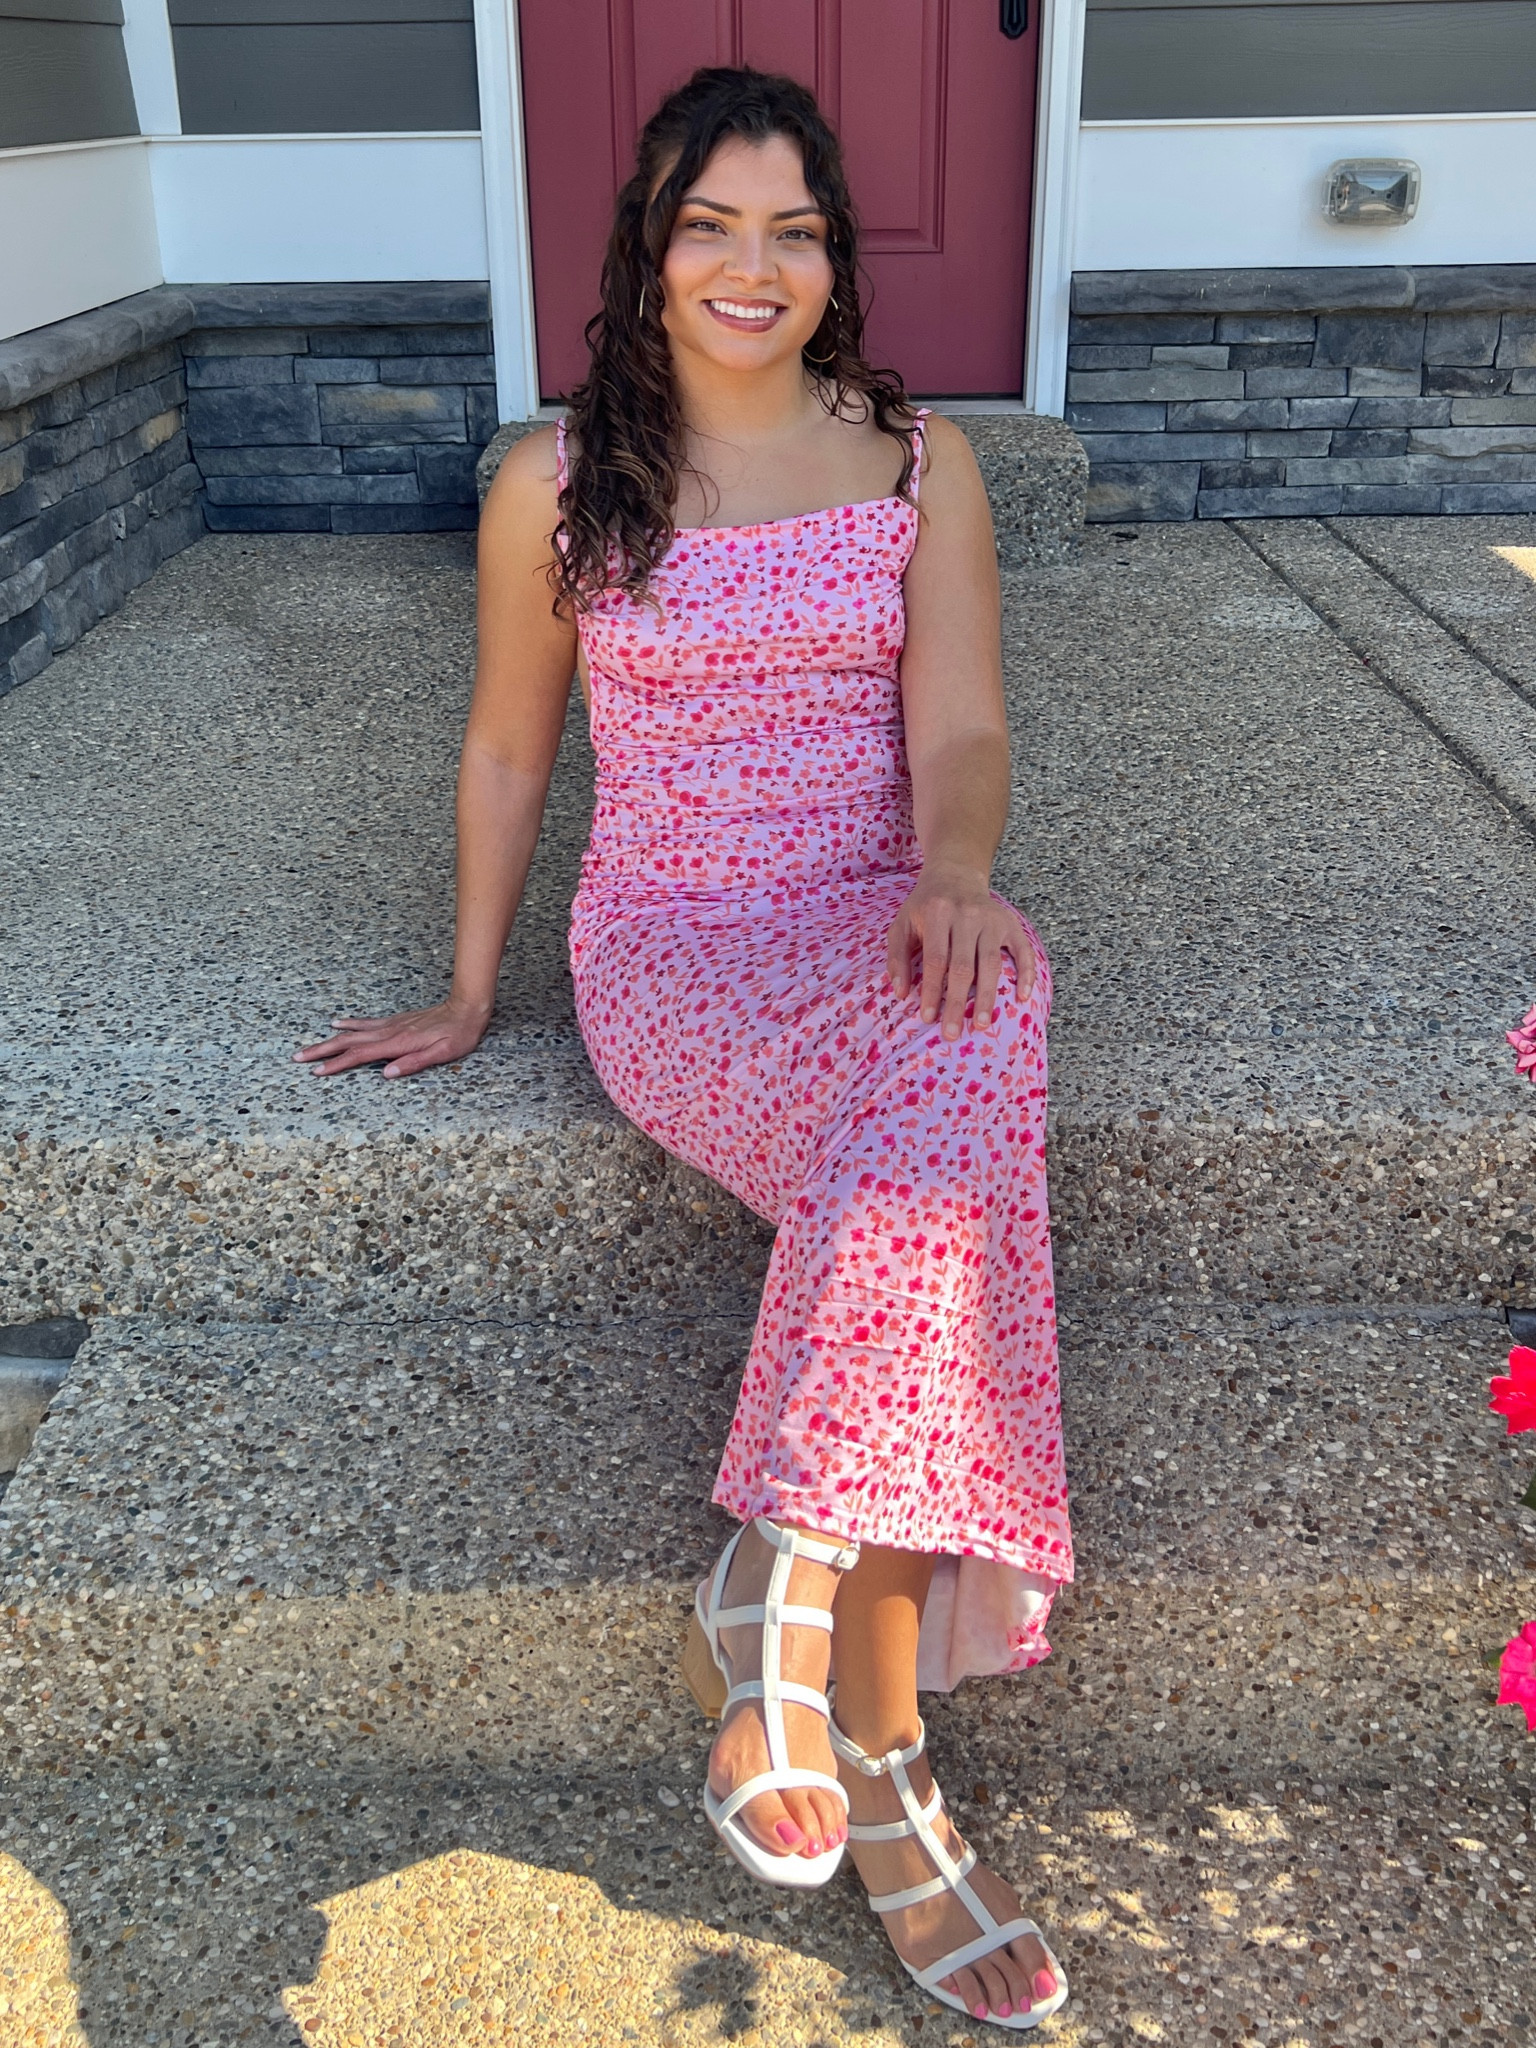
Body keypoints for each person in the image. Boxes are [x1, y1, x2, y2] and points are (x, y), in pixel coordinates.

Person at [296, 65, 1072, 2032]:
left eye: (793, 229)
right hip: (675, 948)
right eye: (711, 224)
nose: (753, 265)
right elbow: (505, 744)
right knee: (936, 1173)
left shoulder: (916, 463)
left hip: (878, 911)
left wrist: (959, 868)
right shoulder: (554, 483)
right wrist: (474, 988)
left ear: (835, 262)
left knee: (968, 1051)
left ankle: (788, 1604)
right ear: (649, 247)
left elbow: (961, 732)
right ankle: (892, 1783)